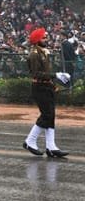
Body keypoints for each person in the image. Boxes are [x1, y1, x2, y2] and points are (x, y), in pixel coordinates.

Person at [23, 28, 69, 157]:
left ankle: (51, 147)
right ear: (37, 40)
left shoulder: (43, 53)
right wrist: (56, 75)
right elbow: (36, 73)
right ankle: (30, 140)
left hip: (46, 87)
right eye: (43, 38)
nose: (46, 40)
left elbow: (46, 73)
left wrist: (54, 83)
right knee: (47, 115)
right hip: (39, 87)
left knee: (51, 116)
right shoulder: (34, 54)